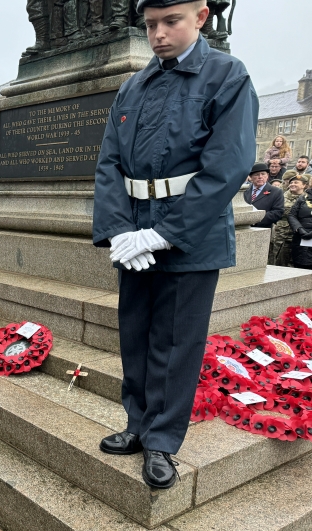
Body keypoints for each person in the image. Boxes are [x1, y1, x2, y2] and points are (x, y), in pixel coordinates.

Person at [91, 0, 258, 490]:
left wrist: (165, 233)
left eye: (171, 22)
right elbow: (109, 165)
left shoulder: (226, 76)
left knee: (175, 341)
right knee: (136, 333)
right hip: (133, 233)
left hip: (189, 236)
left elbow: (226, 166)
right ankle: (137, 424)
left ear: (202, 16)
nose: (159, 34)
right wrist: (121, 230)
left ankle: (163, 439)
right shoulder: (133, 85)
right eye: (150, 25)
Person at [273, 173, 308, 267]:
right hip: (281, 235)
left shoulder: (307, 199)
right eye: (291, 182)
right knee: (278, 261)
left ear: (304, 185)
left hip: (299, 235)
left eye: (296, 182)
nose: (292, 184)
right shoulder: (281, 197)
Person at [244, 162, 284, 228]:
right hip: (243, 228)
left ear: (267, 176)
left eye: (263, 174)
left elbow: (277, 213)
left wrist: (255, 219)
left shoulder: (276, 192)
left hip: (263, 229)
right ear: (250, 177)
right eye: (256, 174)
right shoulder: (244, 191)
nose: (260, 177)